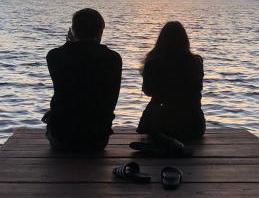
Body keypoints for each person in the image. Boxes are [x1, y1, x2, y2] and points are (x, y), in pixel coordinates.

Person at [43, 8, 122, 151]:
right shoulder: (113, 58)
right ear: (100, 32)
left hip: (62, 137)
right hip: (97, 140)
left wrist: (69, 41)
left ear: (73, 30)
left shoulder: (54, 56)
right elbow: (112, 100)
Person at [137, 21, 205, 142]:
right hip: (193, 124)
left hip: (161, 124)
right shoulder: (196, 62)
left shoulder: (153, 62)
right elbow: (197, 88)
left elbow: (147, 91)